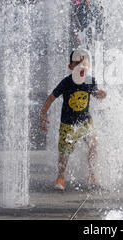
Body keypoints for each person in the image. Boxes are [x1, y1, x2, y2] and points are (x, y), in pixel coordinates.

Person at [40, 49, 107, 191]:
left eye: (84, 63)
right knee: (64, 153)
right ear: (70, 67)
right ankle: (61, 177)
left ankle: (92, 174)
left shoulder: (89, 80)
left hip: (85, 122)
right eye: (77, 63)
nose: (81, 66)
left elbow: (96, 95)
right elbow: (51, 98)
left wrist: (102, 95)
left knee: (93, 144)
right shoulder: (66, 82)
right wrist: (43, 116)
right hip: (68, 125)